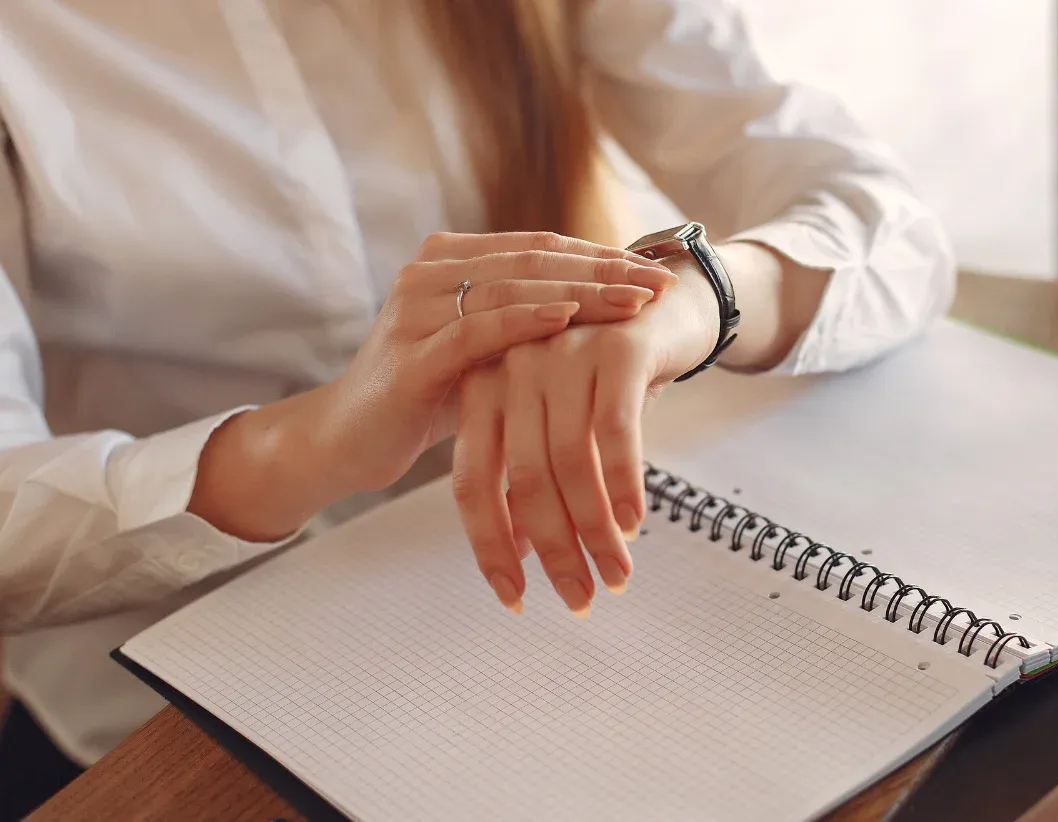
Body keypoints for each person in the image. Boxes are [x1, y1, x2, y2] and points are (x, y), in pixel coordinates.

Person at [0, 0, 955, 817]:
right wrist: (317, 442)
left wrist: (690, 299)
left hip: (557, 644)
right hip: (157, 725)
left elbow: (887, 222)